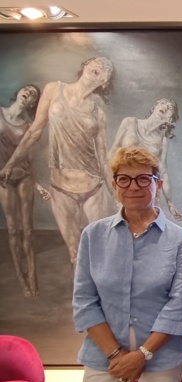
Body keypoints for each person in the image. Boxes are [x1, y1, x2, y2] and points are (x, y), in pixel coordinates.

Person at [72, 146, 182, 382]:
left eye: (143, 178)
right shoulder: (94, 235)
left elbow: (180, 303)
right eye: (124, 179)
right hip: (105, 354)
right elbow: (84, 300)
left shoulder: (178, 240)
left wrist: (143, 354)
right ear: (114, 184)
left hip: (161, 353)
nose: (133, 186)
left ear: (158, 184)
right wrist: (117, 356)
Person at [0, 57, 116, 267]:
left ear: (105, 82)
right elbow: (35, 131)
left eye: (107, 68)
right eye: (98, 62)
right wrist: (11, 164)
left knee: (100, 252)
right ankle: (82, 299)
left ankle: (104, 297)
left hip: (93, 187)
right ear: (86, 65)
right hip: (61, 188)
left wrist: (116, 194)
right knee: (75, 255)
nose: (101, 66)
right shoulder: (54, 89)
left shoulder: (98, 114)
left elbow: (102, 155)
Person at [0, 84, 46, 298]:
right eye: (26, 89)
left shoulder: (29, 125)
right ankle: (20, 277)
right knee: (11, 229)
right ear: (18, 93)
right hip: (3, 179)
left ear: (32, 103)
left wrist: (37, 184)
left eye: (33, 94)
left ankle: (33, 275)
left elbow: (27, 158)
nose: (28, 92)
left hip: (24, 176)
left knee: (28, 230)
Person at [111, 98, 182, 221]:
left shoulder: (162, 140)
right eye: (163, 103)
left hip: (148, 193)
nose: (166, 107)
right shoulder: (130, 122)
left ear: (170, 118)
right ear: (154, 107)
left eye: (170, 107)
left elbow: (163, 171)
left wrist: (170, 203)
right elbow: (113, 151)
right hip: (125, 189)